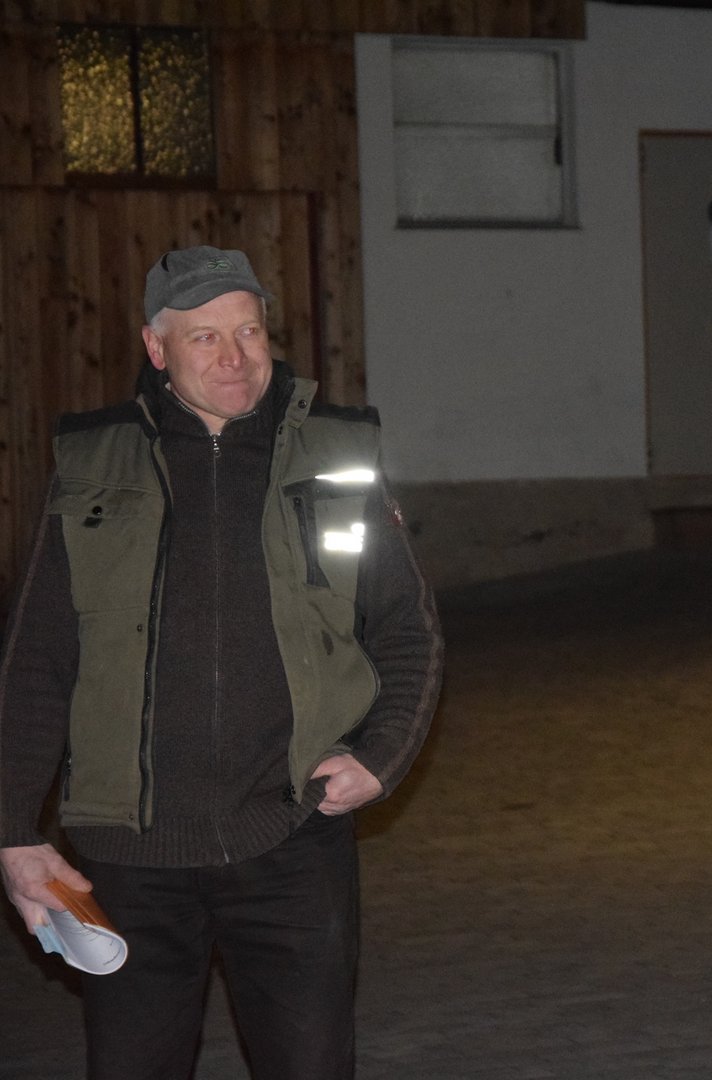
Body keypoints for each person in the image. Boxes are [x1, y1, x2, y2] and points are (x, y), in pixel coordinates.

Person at [0, 246, 443, 1079]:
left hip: (290, 841)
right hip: (129, 860)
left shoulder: (337, 453)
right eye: (205, 337)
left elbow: (407, 631)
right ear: (156, 347)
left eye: (249, 331)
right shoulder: (93, 466)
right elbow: (37, 660)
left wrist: (379, 756)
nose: (235, 357)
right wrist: (12, 829)